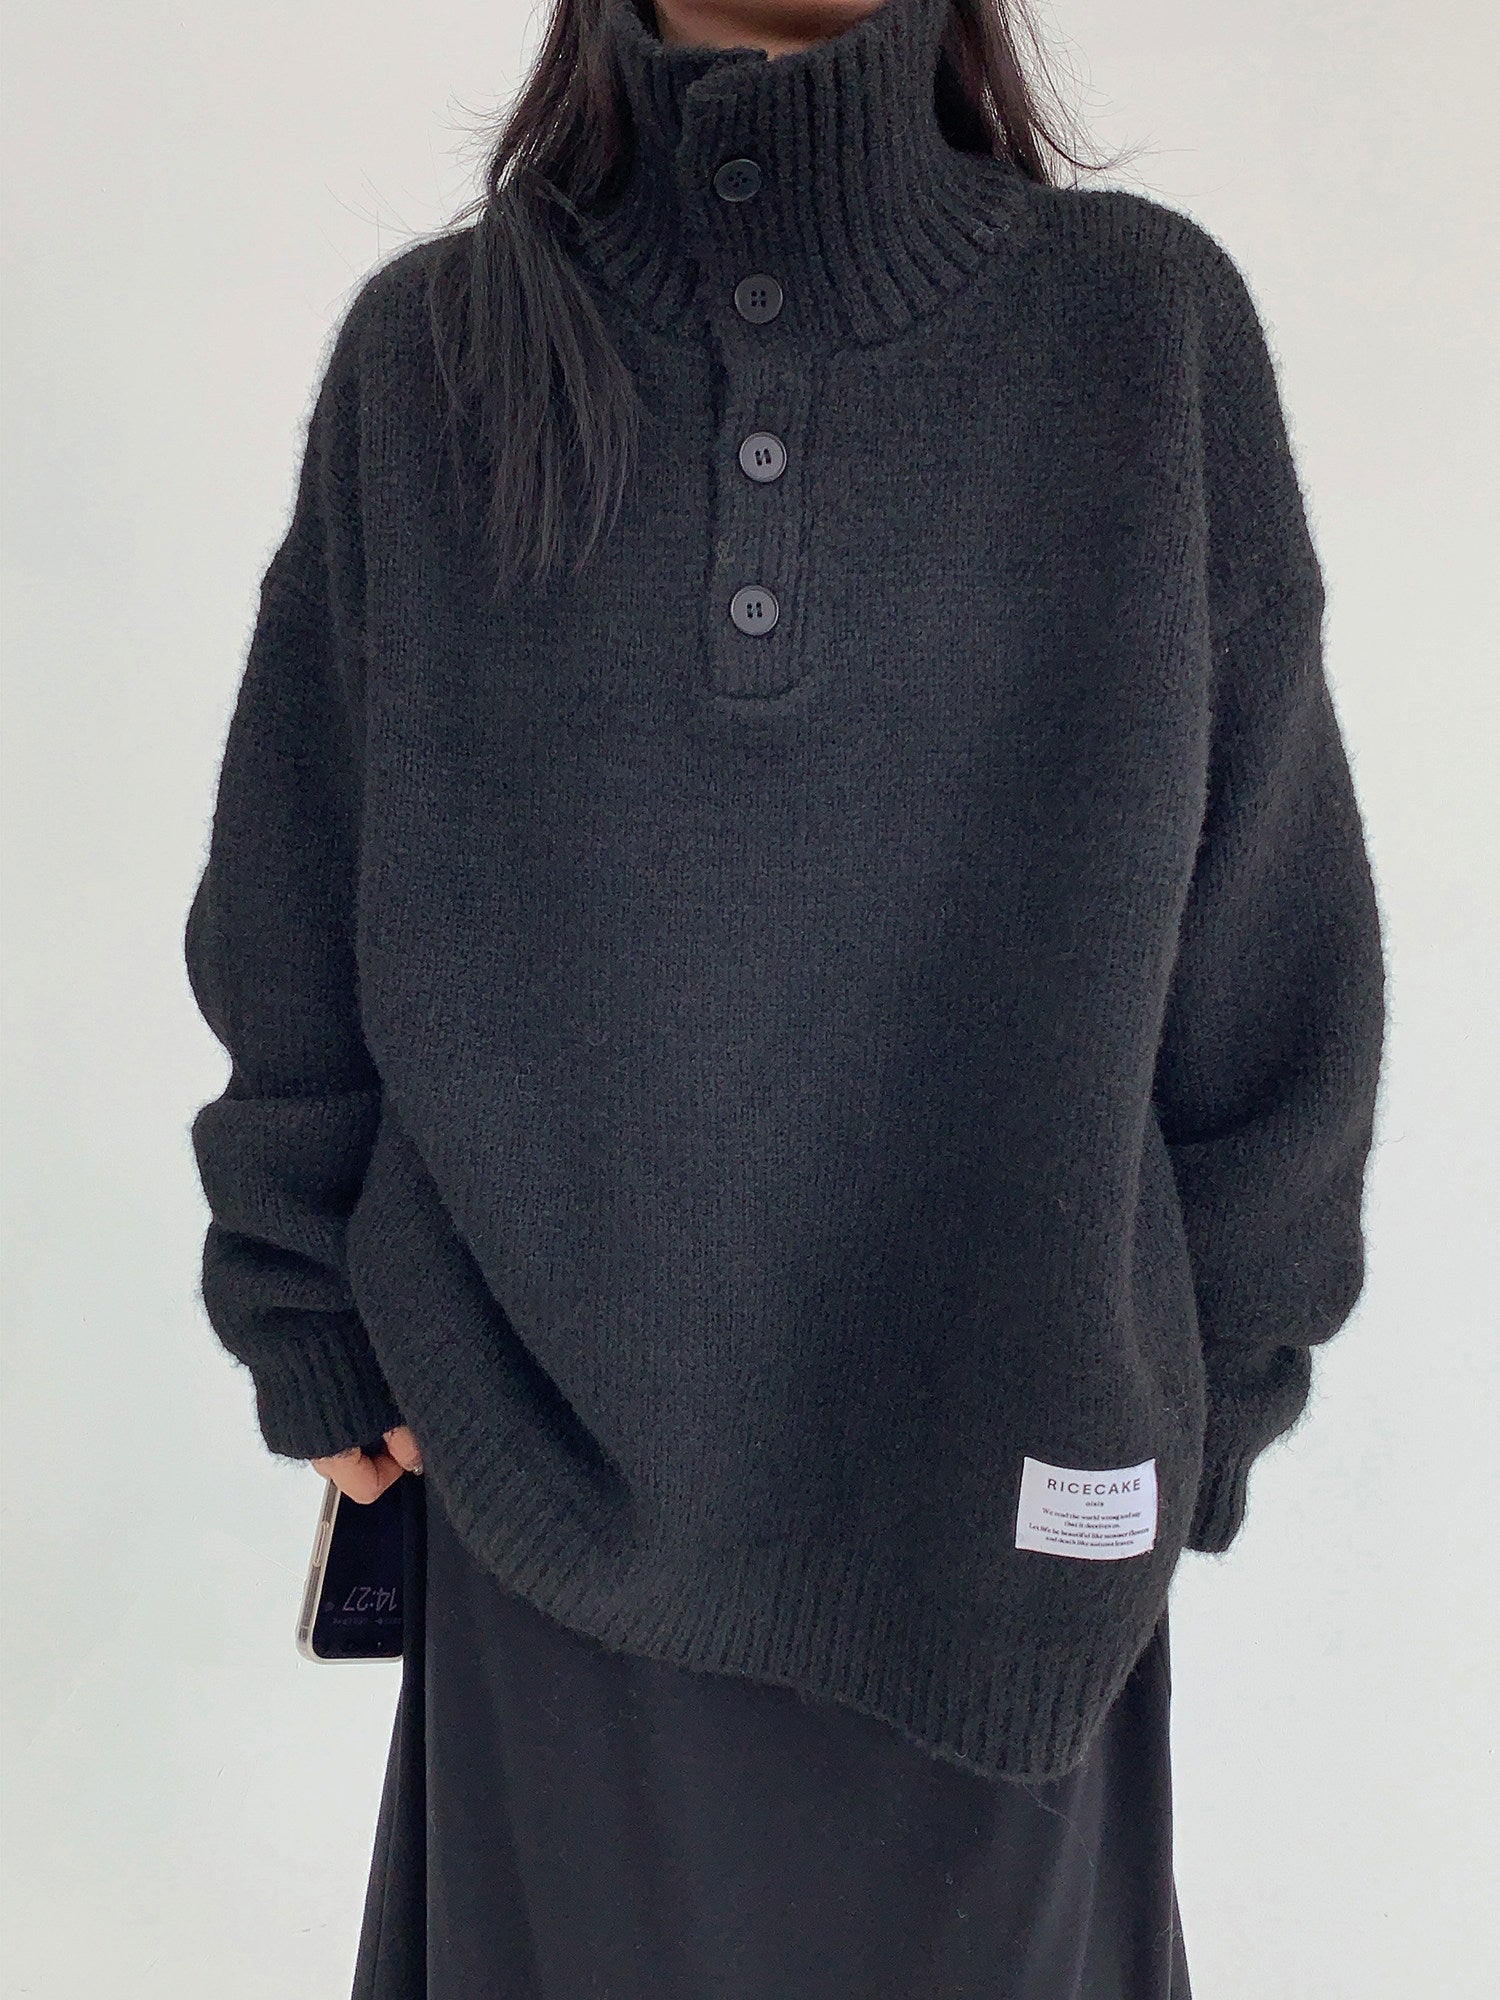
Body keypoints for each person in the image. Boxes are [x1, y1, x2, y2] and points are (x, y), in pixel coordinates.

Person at [181, 0, 1387, 1992]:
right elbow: (298, 877)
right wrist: (302, 1310)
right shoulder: (439, 356)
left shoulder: (1139, 333)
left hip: (1014, 1518)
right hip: (545, 1501)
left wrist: (1221, 1387)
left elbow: (1269, 929)